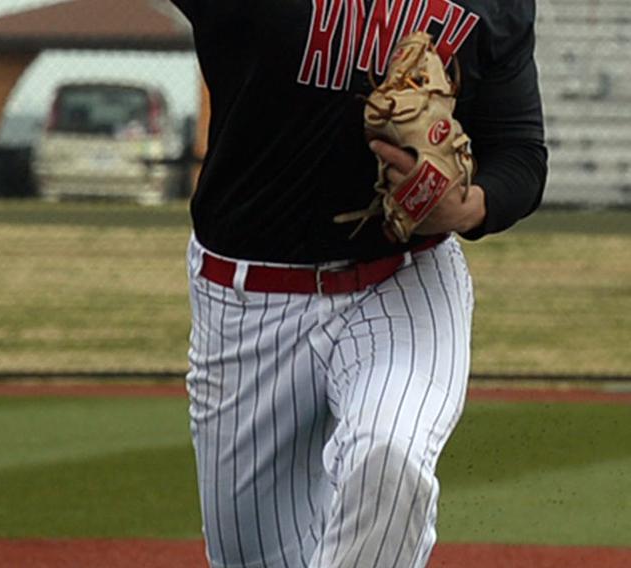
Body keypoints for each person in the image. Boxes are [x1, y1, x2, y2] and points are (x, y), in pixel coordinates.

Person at [169, 1, 547, 567]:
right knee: (253, 556)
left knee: (391, 456)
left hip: (402, 284)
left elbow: (520, 151)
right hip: (246, 302)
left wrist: (468, 206)